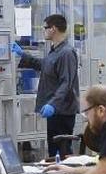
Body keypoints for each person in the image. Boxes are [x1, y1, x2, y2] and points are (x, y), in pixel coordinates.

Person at [12, 14, 79, 159]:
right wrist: (23, 54)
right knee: (54, 151)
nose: (44, 31)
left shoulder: (66, 53)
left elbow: (66, 83)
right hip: (56, 111)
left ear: (53, 29)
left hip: (62, 111)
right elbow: (44, 65)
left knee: (62, 152)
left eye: (45, 28)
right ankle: (57, 173)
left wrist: (53, 104)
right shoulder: (55, 51)